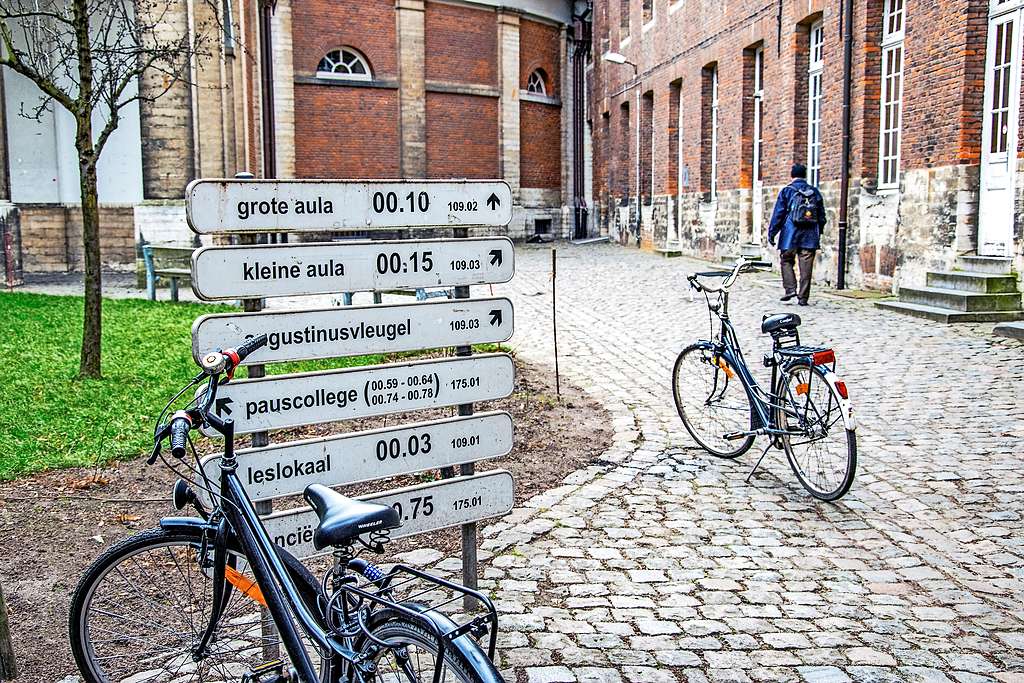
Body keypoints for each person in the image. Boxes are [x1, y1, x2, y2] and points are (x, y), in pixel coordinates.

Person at [767, 163, 827, 306]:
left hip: (790, 234)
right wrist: (820, 232)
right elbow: (822, 216)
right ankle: (803, 297)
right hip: (810, 235)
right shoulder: (814, 192)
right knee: (806, 266)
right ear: (805, 175)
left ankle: (790, 289)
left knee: (786, 260)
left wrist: (772, 232)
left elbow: (778, 214)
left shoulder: (787, 191)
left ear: (792, 175)